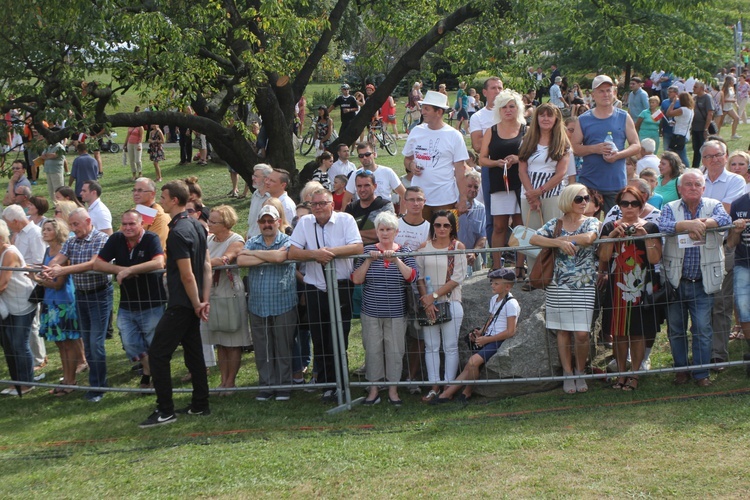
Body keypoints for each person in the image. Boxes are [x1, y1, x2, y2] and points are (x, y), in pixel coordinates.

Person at [139, 180, 212, 428]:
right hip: (193, 301)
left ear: (174, 201)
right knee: (193, 354)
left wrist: (195, 303)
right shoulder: (197, 226)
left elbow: (188, 274)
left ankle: (165, 410)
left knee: (158, 353)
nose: (160, 200)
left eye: (163, 196)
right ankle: (201, 404)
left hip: (183, 303)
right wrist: (204, 300)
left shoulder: (178, 233)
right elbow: (207, 266)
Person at [288, 188, 363, 403]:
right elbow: (293, 252)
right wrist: (314, 254)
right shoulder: (304, 223)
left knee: (340, 336)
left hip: (340, 285)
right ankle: (327, 384)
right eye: (315, 204)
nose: (319, 207)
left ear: (332, 204)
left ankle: (342, 382)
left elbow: (357, 247)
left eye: (323, 203)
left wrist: (329, 253)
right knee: (320, 338)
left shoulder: (346, 220)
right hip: (315, 287)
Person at [659, 170, 731, 387]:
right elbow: (663, 226)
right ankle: (681, 370)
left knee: (703, 329)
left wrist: (701, 223)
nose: (692, 187)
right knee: (676, 329)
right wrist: (686, 226)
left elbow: (724, 219)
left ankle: (701, 373)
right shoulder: (670, 207)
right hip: (676, 281)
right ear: (679, 189)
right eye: (687, 184)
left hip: (703, 282)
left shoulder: (713, 204)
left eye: (696, 184)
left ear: (703, 188)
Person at [529, 184, 600, 394]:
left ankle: (580, 370)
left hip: (584, 284)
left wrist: (561, 240)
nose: (584, 202)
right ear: (568, 200)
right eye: (579, 199)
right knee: (563, 331)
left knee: (581, 333)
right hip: (558, 284)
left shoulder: (591, 221)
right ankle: (568, 373)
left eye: (586, 198)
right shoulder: (556, 223)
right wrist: (557, 243)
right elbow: (533, 238)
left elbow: (589, 238)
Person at [41, 208, 112, 402]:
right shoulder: (72, 241)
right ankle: (95, 383)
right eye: (71, 225)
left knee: (96, 343)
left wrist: (61, 270)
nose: (73, 229)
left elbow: (93, 264)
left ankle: (99, 386)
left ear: (88, 221)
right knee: (88, 343)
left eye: (76, 224)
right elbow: (59, 258)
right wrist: (50, 268)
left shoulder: (101, 239)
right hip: (81, 295)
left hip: (99, 295)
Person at [598, 186, 662, 391]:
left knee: (638, 332)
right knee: (618, 332)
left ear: (641, 205)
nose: (629, 207)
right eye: (624, 203)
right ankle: (621, 374)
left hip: (641, 285)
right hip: (617, 286)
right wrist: (613, 236)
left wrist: (645, 237)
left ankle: (635, 374)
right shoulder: (610, 226)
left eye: (634, 203)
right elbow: (604, 257)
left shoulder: (651, 226)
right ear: (619, 205)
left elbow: (655, 259)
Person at [351, 211, 418, 406]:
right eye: (381, 229)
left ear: (396, 232)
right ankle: (373, 390)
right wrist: (370, 260)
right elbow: (356, 279)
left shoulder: (404, 252)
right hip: (371, 311)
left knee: (395, 351)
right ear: (377, 232)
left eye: (389, 229)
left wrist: (396, 259)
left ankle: (393, 390)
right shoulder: (368, 250)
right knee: (372, 350)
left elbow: (412, 277)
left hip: (397, 312)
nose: (385, 233)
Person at [94, 210, 166, 390]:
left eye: (132, 224)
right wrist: (120, 269)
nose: (127, 227)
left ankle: (153, 379)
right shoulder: (116, 239)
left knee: (153, 343)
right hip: (127, 303)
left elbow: (159, 262)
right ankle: (152, 372)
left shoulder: (151, 238)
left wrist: (130, 271)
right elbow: (98, 263)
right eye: (124, 224)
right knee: (129, 342)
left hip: (152, 302)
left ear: (141, 223)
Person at [433, 268, 519, 403]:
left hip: (499, 340)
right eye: (492, 282)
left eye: (496, 283)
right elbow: (491, 319)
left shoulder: (511, 304)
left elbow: (510, 331)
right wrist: (481, 332)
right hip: (489, 338)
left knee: (473, 362)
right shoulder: (494, 299)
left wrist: (487, 339)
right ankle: (448, 393)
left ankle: (466, 391)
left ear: (507, 287)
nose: (492, 285)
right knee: (470, 365)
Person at [238, 205, 297, 401]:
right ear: (258, 223)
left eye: (270, 221)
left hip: (283, 302)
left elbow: (281, 257)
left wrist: (255, 255)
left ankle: (283, 386)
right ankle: (266, 385)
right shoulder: (252, 241)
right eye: (263, 221)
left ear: (278, 222)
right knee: (262, 348)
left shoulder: (288, 240)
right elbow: (241, 261)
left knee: (283, 345)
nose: (267, 224)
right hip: (258, 304)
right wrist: (266, 256)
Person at [700, 140, 746, 372]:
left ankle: (718, 355)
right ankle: (701, 353)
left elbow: (726, 211)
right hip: (694, 249)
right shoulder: (694, 178)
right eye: (710, 156)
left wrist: (698, 219)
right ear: (703, 160)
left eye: (719, 155)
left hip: (723, 246)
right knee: (698, 304)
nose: (716, 159)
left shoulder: (736, 180)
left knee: (720, 304)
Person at [415, 210, 467, 402]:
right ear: (433, 227)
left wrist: (434, 296)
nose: (442, 229)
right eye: (438, 225)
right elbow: (419, 276)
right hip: (428, 303)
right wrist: (426, 300)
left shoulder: (458, 247)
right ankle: (434, 386)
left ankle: (448, 386)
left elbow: (457, 278)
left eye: (446, 225)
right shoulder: (423, 247)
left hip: (451, 301)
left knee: (451, 346)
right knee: (431, 346)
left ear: (452, 227)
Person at [571, 75, 641, 214]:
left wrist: (618, 155)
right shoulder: (583, 119)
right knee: (588, 227)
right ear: (593, 95)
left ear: (614, 93)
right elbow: (574, 148)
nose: (606, 94)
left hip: (615, 183)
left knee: (615, 228)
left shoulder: (623, 117)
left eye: (609, 90)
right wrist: (594, 149)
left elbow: (636, 145)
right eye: (601, 91)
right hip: (590, 183)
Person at [518, 103, 571, 274]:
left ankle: (552, 274)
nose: (546, 118)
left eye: (550, 115)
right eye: (542, 115)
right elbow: (522, 169)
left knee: (553, 236)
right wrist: (531, 195)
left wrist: (539, 192)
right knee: (532, 236)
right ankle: (534, 276)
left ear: (556, 119)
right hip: (528, 193)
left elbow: (561, 173)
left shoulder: (563, 143)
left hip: (552, 194)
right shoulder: (527, 140)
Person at [202, 205, 250, 395]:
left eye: (214, 221)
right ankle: (223, 381)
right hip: (212, 292)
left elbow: (225, 259)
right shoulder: (208, 240)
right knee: (220, 340)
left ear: (226, 223)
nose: (209, 224)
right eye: (209, 220)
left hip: (229, 292)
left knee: (233, 340)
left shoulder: (236, 240)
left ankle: (231, 382)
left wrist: (200, 262)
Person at [479, 89, 526, 270]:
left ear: (518, 108)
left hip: (521, 183)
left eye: (512, 106)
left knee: (520, 225)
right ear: (498, 109)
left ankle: (521, 266)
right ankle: (496, 266)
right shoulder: (492, 130)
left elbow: (532, 156)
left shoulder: (525, 129)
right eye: (504, 106)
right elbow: (482, 158)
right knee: (499, 226)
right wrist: (495, 163)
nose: (508, 110)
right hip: (500, 183)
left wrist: (518, 158)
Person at [403, 90, 470, 219]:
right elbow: (407, 159)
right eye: (423, 108)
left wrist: (463, 198)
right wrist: (411, 165)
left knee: (446, 235)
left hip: (445, 198)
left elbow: (460, 170)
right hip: (419, 199)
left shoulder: (454, 135)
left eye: (427, 109)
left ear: (439, 112)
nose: (423, 112)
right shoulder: (416, 131)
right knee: (421, 236)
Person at [32, 219, 79, 395]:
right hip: (50, 302)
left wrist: (36, 279)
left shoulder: (62, 252)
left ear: (57, 232)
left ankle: (71, 380)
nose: (44, 232)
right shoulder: (47, 251)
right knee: (60, 344)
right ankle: (66, 379)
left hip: (63, 302)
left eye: (49, 229)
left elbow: (58, 283)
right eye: (44, 229)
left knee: (68, 342)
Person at [0, 219, 37, 397]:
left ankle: (27, 383)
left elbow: (2, 284)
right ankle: (17, 382)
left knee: (18, 344)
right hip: (7, 306)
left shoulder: (9, 253)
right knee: (8, 345)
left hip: (22, 304)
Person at [469, 77, 504, 242]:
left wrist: (490, 140)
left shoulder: (510, 112)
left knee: (516, 213)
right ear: (484, 92)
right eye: (493, 88)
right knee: (493, 212)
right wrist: (504, 141)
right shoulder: (478, 117)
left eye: (500, 88)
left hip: (513, 167)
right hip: (490, 167)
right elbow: (477, 145)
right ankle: (495, 254)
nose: (497, 91)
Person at [342, 142, 405, 209]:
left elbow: (404, 194)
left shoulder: (387, 172)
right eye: (361, 156)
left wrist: (402, 214)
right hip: (363, 213)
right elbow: (346, 200)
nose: (365, 158)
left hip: (384, 212)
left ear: (374, 154)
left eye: (367, 154)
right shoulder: (355, 174)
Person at [344, 171, 395, 245]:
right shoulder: (351, 207)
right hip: (356, 253)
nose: (362, 189)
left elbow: (386, 233)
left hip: (379, 253)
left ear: (375, 186)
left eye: (366, 185)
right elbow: (345, 234)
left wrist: (355, 234)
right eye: (359, 186)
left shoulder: (385, 205)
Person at [457, 170, 487, 271]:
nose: (472, 189)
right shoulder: (452, 205)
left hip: (473, 257)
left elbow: (483, 236)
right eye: (469, 186)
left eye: (476, 187)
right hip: (453, 255)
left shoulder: (481, 208)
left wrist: (474, 252)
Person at [131, 177, 171, 248]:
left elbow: (156, 247)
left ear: (152, 194)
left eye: (140, 190)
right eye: (134, 190)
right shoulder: (133, 212)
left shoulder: (160, 217)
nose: (135, 193)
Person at [665, 92, 693, 167]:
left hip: (680, 134)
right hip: (685, 133)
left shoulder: (682, 109)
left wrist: (673, 103)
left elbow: (668, 113)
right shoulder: (691, 109)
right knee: (677, 154)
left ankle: (687, 169)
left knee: (682, 155)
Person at [691, 81, 715, 169]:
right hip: (695, 128)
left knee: (704, 149)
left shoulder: (707, 98)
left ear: (701, 88)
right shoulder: (695, 98)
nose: (693, 88)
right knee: (696, 149)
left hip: (703, 128)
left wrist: (706, 128)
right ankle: (695, 167)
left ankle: (707, 167)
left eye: (695, 87)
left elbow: (710, 113)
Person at [246, 163, 273, 239]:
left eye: (256, 176)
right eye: (253, 176)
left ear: (266, 179)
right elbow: (252, 221)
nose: (253, 178)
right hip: (250, 238)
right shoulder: (255, 194)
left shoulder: (272, 198)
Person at [125, 115, 144, 181]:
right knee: (131, 160)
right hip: (130, 143)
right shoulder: (130, 126)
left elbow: (141, 136)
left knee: (137, 160)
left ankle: (140, 173)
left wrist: (139, 144)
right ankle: (134, 174)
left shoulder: (140, 127)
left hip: (137, 144)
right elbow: (128, 135)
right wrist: (125, 144)